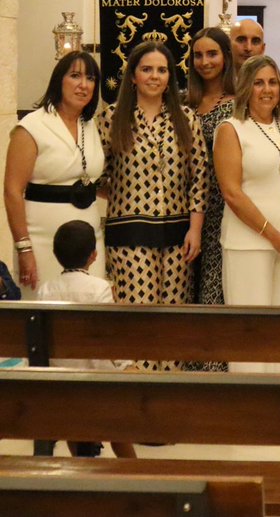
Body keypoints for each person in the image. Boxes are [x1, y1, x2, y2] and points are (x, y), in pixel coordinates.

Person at [98, 41, 208, 344]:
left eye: (162, 70)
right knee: (139, 319)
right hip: (129, 234)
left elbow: (199, 178)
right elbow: (99, 174)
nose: (154, 76)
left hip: (178, 235)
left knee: (172, 322)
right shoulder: (111, 117)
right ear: (133, 76)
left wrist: (195, 231)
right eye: (147, 69)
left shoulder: (187, 118)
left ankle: (170, 387)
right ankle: (137, 385)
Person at [213, 56, 280, 322]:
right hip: (250, 243)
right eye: (258, 83)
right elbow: (232, 193)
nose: (267, 89)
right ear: (246, 88)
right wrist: (274, 236)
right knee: (253, 327)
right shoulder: (231, 129)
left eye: (272, 82)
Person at [5, 52, 105, 294]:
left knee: (87, 315)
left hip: (88, 240)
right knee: (43, 312)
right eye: (75, 76)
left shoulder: (90, 125)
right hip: (42, 239)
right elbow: (12, 191)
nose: (83, 85)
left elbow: (91, 180)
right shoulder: (32, 126)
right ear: (59, 80)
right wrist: (24, 248)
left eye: (90, 78)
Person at [36, 220, 136, 460]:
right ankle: (134, 471)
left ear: (55, 255)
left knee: (73, 417)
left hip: (59, 385)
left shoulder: (45, 290)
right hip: (97, 383)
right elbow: (109, 337)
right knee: (118, 428)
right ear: (93, 255)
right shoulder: (100, 288)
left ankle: (83, 459)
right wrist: (127, 365)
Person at [187, 26, 236, 307]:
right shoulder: (184, 101)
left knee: (214, 290)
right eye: (198, 55)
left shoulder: (240, 103)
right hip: (186, 205)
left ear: (226, 57)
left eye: (212, 54)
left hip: (222, 206)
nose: (205, 62)